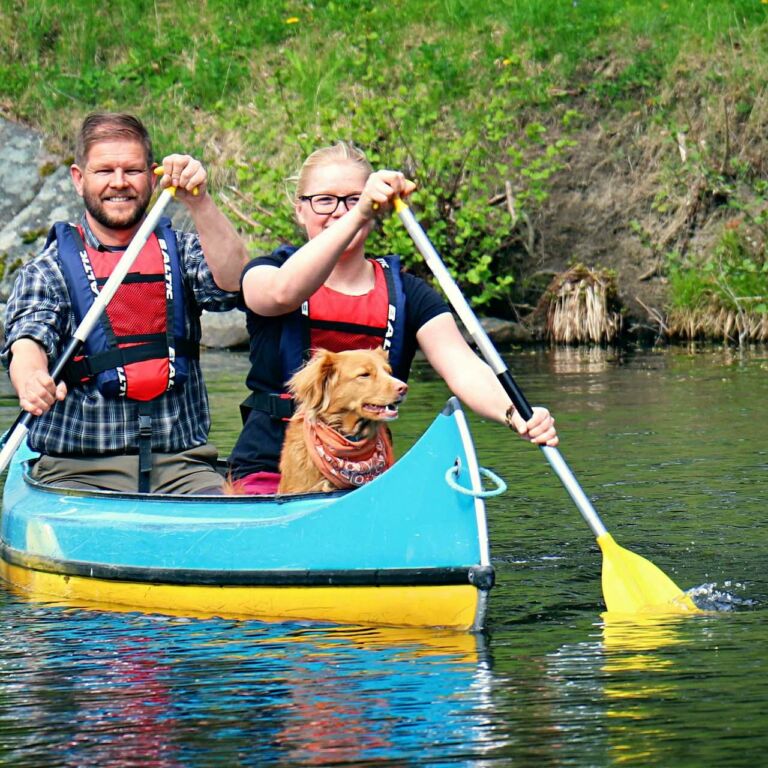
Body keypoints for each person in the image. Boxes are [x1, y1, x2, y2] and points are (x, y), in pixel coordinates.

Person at [228, 141, 558, 493]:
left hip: (365, 471)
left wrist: (515, 414)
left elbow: (463, 366)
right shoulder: (267, 273)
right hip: (271, 470)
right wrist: (359, 214)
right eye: (324, 200)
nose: (340, 212)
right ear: (300, 210)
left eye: (354, 200)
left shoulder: (408, 294)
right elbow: (281, 294)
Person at [1, 112, 248, 493]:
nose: (119, 183)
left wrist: (201, 204)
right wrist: (31, 378)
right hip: (77, 471)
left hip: (182, 468)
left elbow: (234, 283)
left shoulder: (182, 252)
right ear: (78, 179)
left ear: (152, 177)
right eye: (104, 171)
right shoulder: (47, 271)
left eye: (131, 171)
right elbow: (27, 340)